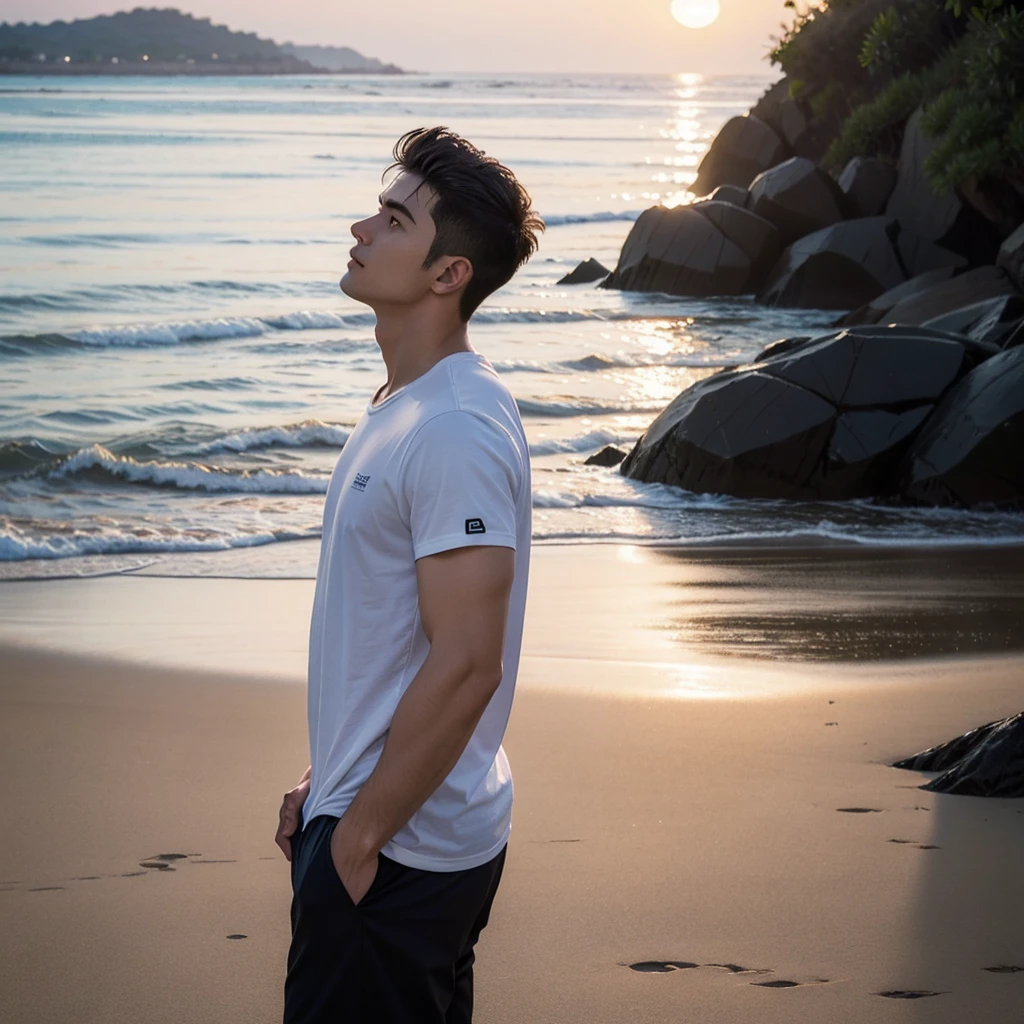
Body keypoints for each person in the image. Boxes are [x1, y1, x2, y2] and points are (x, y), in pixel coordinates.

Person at [275, 126, 544, 1023]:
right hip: (390, 829)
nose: (362, 228)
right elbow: (398, 631)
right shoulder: (404, 403)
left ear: (447, 275)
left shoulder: (454, 427)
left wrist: (357, 837)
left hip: (401, 857)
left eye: (393, 220)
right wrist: (330, 781)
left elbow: (469, 658)